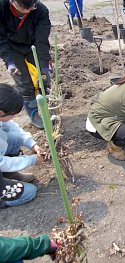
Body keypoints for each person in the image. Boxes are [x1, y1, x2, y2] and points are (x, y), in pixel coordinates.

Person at [0, 0, 51, 129]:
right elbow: (1, 39)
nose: (28, 10)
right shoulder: (2, 8)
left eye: (31, 6)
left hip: (33, 45)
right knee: (24, 82)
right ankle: (33, 115)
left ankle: (48, 111)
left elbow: (42, 40)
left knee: (42, 80)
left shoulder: (40, 10)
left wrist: (44, 66)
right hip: (12, 48)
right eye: (23, 7)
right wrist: (9, 62)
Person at [0, 84, 46, 182]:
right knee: (29, 193)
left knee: (15, 138)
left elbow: (12, 126)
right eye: (13, 114)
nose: (14, 117)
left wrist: (32, 144)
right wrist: (31, 160)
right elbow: (1, 163)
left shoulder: (2, 116)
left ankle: (9, 175)